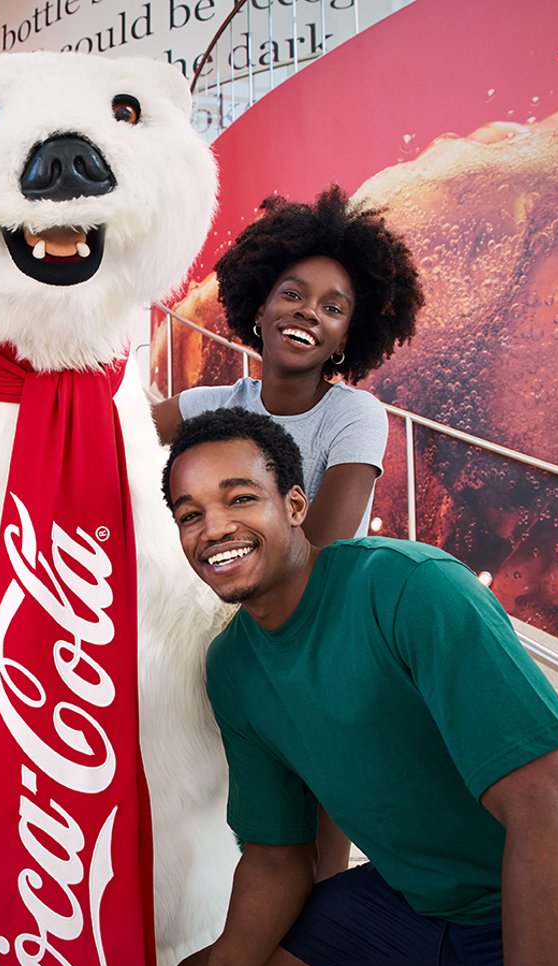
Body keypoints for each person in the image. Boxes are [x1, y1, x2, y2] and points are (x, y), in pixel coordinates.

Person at [162, 407, 558, 966]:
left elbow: (556, 820)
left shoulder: (411, 586)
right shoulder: (232, 666)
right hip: (416, 904)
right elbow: (279, 855)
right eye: (191, 515)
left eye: (239, 498)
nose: (213, 528)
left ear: (294, 506)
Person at [154, 184, 424, 878]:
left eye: (334, 308)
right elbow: (113, 441)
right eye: (293, 294)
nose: (309, 314)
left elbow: (323, 549)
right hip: (241, 634)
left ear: (350, 334)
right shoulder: (212, 405)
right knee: (254, 845)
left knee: (319, 856)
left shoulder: (354, 415)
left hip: (326, 642)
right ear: (260, 302)